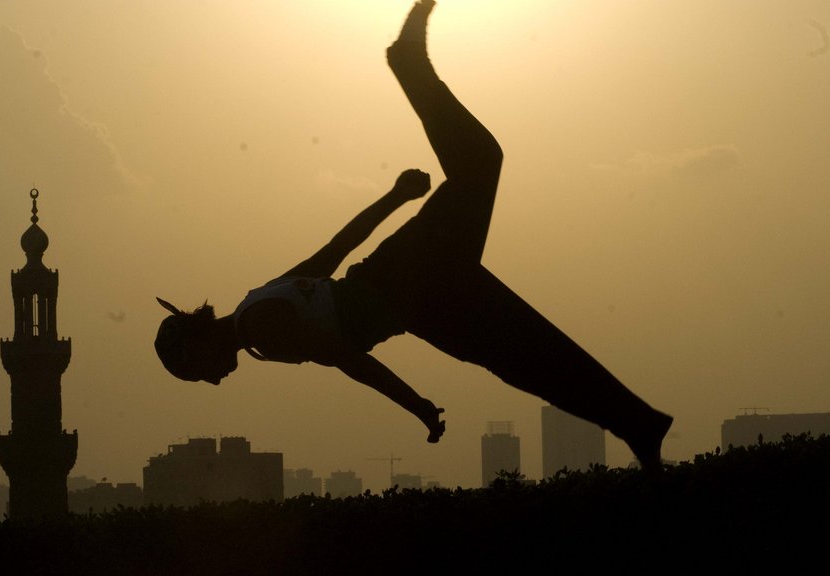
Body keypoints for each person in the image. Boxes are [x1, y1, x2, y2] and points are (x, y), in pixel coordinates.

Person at [155, 0, 672, 470]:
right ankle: (639, 425)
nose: (212, 381)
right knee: (525, 355)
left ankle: (408, 63)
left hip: (409, 274)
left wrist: (417, 406)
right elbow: (334, 252)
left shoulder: (262, 328)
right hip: (421, 305)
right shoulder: (256, 307)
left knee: (480, 167)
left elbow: (347, 356)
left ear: (195, 345)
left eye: (198, 373)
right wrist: (395, 197)